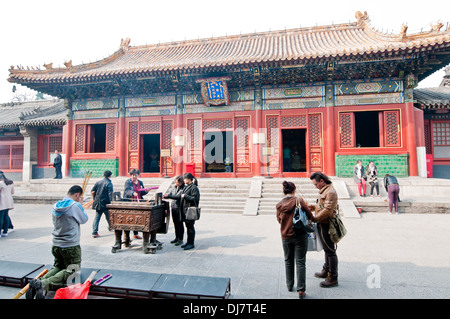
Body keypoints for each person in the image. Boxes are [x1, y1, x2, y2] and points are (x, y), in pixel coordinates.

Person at [26, 185, 88, 299]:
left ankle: (38, 282)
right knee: (72, 269)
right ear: (77, 195)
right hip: (70, 245)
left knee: (58, 266)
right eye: (79, 197)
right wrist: (81, 204)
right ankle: (43, 283)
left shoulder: (56, 205)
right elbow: (84, 219)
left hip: (56, 243)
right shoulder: (75, 205)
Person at [276, 181, 313, 299]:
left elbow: (279, 220)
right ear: (294, 190)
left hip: (286, 235)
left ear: (284, 191)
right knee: (300, 261)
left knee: (288, 260)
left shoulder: (279, 205)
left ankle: (289, 284)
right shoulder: (298, 201)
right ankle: (301, 289)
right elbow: (309, 214)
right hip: (300, 235)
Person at [309, 172, 339, 288]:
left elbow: (327, 210)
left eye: (316, 184)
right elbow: (321, 206)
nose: (315, 186)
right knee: (327, 249)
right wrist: (311, 207)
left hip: (327, 224)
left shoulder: (330, 192)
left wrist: (315, 218)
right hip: (323, 223)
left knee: (330, 250)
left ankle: (333, 277)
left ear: (322, 181)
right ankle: (326, 269)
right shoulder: (325, 191)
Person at [179, 172, 200, 251]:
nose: (183, 180)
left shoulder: (194, 187)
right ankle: (188, 242)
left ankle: (191, 243)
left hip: (190, 210)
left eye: (184, 179)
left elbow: (195, 199)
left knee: (190, 227)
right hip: (185, 210)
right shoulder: (187, 186)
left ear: (188, 179)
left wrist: (185, 196)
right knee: (188, 227)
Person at [91, 170, 113, 238]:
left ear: (103, 175)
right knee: (108, 216)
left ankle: (94, 232)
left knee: (97, 217)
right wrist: (111, 202)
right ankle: (110, 226)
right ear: (110, 176)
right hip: (105, 203)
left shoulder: (98, 182)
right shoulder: (109, 183)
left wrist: (94, 199)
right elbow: (110, 194)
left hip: (98, 202)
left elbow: (92, 191)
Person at [164, 176, 185, 246]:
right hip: (173, 207)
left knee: (180, 223)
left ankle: (180, 239)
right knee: (175, 223)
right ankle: (177, 237)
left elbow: (178, 197)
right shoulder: (174, 187)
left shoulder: (183, 188)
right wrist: (166, 195)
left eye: (178, 182)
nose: (177, 184)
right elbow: (170, 194)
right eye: (176, 182)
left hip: (179, 207)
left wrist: (169, 196)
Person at [0, 171, 14, 237]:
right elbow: (12, 192)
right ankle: (5, 231)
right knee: (6, 216)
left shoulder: (1, 183)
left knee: (1, 217)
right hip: (8, 201)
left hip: (2, 201)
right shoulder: (10, 182)